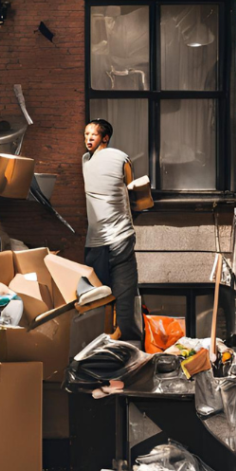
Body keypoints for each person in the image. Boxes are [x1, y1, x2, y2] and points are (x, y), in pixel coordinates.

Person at [82, 119, 141, 341]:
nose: (88, 138)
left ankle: (101, 342)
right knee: (124, 294)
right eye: (86, 134)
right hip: (114, 237)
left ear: (105, 137)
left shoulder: (86, 162)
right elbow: (132, 188)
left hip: (105, 240)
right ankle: (122, 344)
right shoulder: (121, 158)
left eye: (93, 135)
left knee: (97, 296)